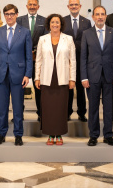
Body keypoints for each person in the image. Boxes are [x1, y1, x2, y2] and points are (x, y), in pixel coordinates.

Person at [0, 4, 33, 146]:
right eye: (7, 14)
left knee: (17, 107)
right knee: (2, 107)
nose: (9, 16)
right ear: (4, 15)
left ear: (16, 14)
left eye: (12, 14)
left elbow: (28, 56)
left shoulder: (25, 32)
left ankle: (18, 134)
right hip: (0, 73)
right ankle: (1, 134)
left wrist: (28, 74)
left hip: (18, 74)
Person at [81, 6, 113, 146]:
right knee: (92, 107)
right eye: (97, 14)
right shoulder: (86, 33)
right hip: (92, 76)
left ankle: (108, 135)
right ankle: (93, 136)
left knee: (109, 107)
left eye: (102, 14)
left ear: (105, 16)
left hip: (110, 77)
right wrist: (84, 77)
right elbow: (83, 58)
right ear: (93, 17)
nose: (100, 17)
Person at [35, 14, 76, 145]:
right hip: (46, 78)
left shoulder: (68, 39)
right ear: (49, 24)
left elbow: (73, 61)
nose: (55, 25)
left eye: (57, 22)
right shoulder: (43, 39)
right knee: (48, 108)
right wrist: (37, 77)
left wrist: (72, 78)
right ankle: (50, 134)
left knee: (60, 107)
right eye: (52, 22)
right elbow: (38, 60)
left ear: (61, 24)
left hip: (62, 78)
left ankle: (59, 134)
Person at [17, 0, 47, 121]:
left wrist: (35, 50)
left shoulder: (44, 20)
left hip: (37, 59)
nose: (32, 6)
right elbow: (16, 38)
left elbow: (45, 39)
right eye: (30, 4)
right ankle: (19, 114)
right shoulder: (19, 20)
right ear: (26, 6)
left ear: (38, 7)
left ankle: (41, 113)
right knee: (19, 87)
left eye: (35, 5)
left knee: (39, 87)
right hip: (21, 59)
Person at [63, 0, 91, 122]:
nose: (74, 6)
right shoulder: (62, 21)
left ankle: (81, 113)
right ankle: (67, 112)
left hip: (81, 59)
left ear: (80, 6)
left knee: (80, 87)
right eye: (71, 5)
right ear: (68, 7)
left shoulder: (87, 22)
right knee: (68, 87)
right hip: (66, 60)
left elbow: (89, 41)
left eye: (76, 4)